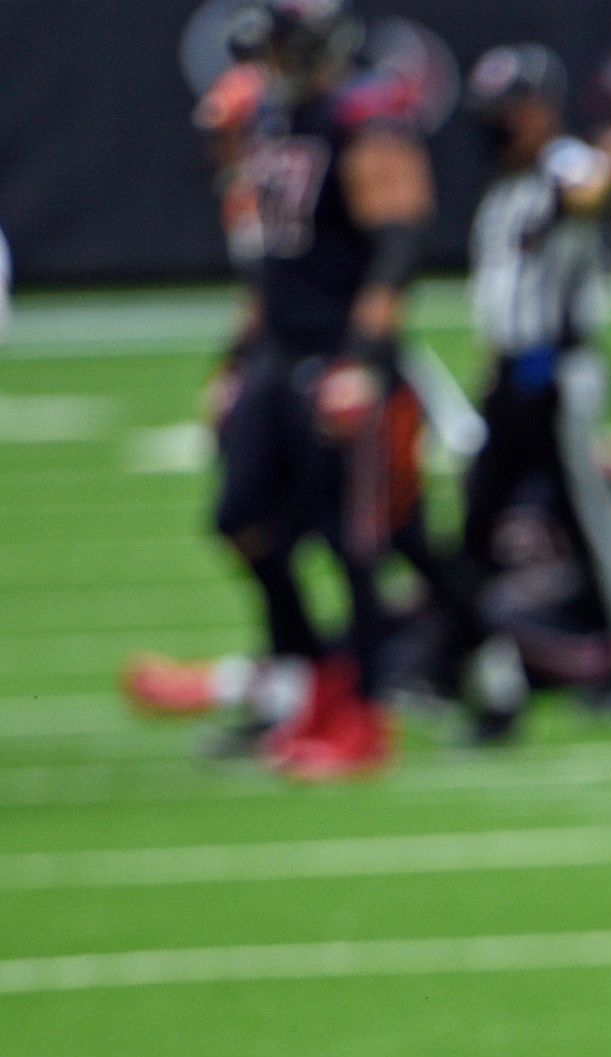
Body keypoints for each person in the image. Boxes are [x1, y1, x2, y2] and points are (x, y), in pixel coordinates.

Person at [185, 0, 441, 776]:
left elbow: (399, 235)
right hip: (276, 354)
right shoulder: (268, 119)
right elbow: (268, 259)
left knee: (353, 541)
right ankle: (303, 680)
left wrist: (363, 354)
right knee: (242, 518)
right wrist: (237, 360)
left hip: (336, 355)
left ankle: (361, 713)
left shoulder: (358, 116)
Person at [464, 42, 611, 728]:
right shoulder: (504, 186)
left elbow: (596, 188)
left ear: (540, 110)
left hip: (560, 370)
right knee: (479, 525)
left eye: (507, 112)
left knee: (592, 521)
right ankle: (496, 678)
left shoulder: (562, 166)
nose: (494, 126)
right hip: (508, 374)